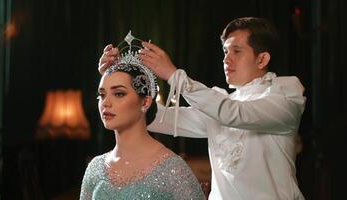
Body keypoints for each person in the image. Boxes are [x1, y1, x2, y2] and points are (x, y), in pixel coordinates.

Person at [98, 17, 306, 200]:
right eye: (225, 51)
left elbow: (234, 113)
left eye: (237, 51)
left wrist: (174, 75)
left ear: (262, 59)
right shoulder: (219, 104)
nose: (226, 59)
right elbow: (161, 118)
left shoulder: (285, 95)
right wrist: (120, 79)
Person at [80, 32, 205, 200]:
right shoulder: (95, 168)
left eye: (119, 94)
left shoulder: (172, 169)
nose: (106, 103)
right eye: (102, 95)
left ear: (145, 102)